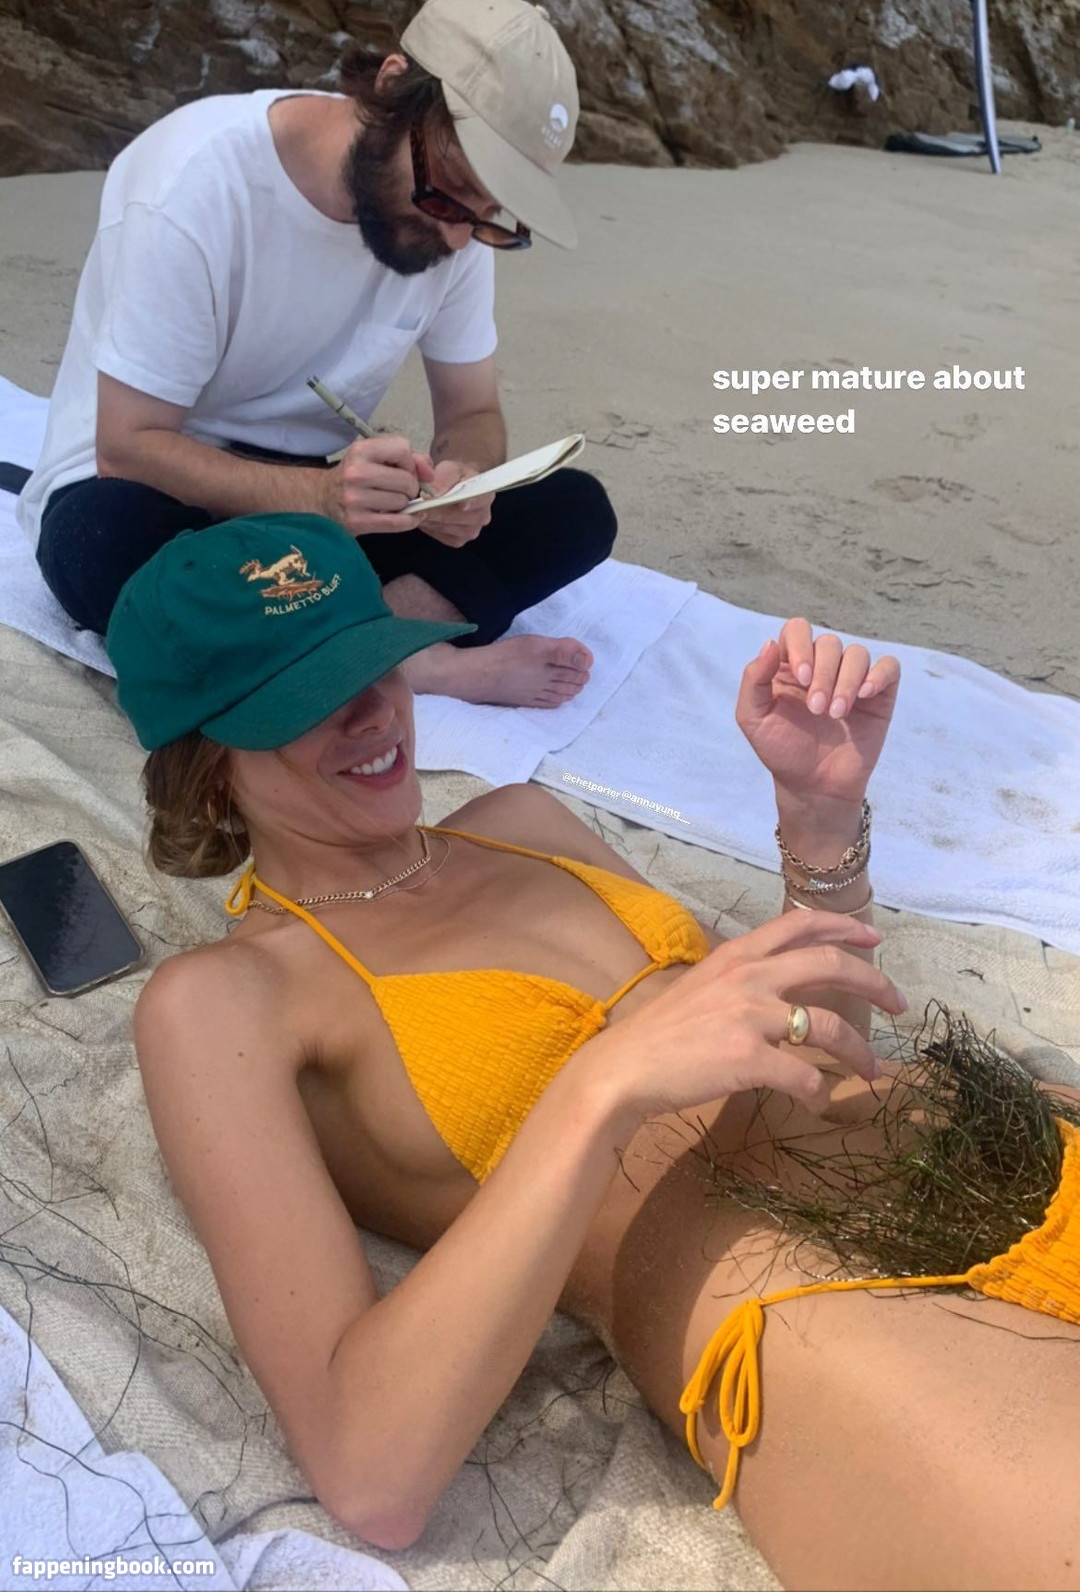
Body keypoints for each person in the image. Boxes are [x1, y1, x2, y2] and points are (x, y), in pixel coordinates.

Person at [110, 514, 1080, 1591]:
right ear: (207, 772)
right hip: (807, 1309)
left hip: (983, 1147)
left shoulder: (523, 820)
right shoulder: (226, 1001)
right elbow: (369, 1466)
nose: (369, 712)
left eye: (371, 664)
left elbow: (813, 1057)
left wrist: (819, 830)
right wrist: (602, 1084)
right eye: (303, 701)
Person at [18, 0, 616, 709]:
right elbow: (129, 446)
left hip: (312, 524)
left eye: (489, 216)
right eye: (450, 194)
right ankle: (405, 657)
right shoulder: (196, 183)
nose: (459, 237)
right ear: (392, 87)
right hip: (152, 493)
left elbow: (472, 410)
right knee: (101, 542)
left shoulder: (452, 228)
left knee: (574, 511)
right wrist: (323, 498)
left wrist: (465, 482)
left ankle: (350, 649)